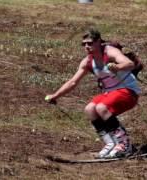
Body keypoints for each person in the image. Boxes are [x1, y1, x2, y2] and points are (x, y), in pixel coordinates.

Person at [45, 29, 141, 158]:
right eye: (84, 44)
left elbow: (129, 64)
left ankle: (125, 145)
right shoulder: (87, 62)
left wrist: (117, 67)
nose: (86, 47)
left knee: (102, 107)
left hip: (128, 91)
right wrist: (55, 95)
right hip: (111, 92)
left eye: (90, 43)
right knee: (90, 109)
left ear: (98, 42)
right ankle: (111, 143)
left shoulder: (110, 52)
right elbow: (73, 82)